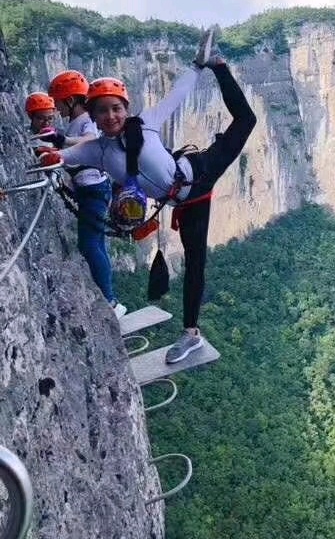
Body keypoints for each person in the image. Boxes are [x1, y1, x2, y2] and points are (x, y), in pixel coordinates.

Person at [37, 34, 257, 363]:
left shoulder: (148, 123)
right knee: (195, 261)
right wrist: (52, 156)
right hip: (188, 203)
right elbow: (69, 154)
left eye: (116, 108)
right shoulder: (98, 151)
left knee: (246, 121)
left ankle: (220, 65)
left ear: (126, 108)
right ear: (93, 116)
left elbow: (177, 96)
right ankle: (191, 335)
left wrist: (199, 66)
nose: (110, 116)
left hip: (199, 171)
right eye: (102, 111)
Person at [45, 70, 126, 319]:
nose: (57, 108)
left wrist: (61, 140)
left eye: (59, 102)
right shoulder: (77, 122)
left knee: (89, 245)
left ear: (70, 100)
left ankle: (110, 301)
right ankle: (110, 297)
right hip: (89, 188)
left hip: (93, 188)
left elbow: (89, 140)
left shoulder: (86, 122)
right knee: (96, 243)